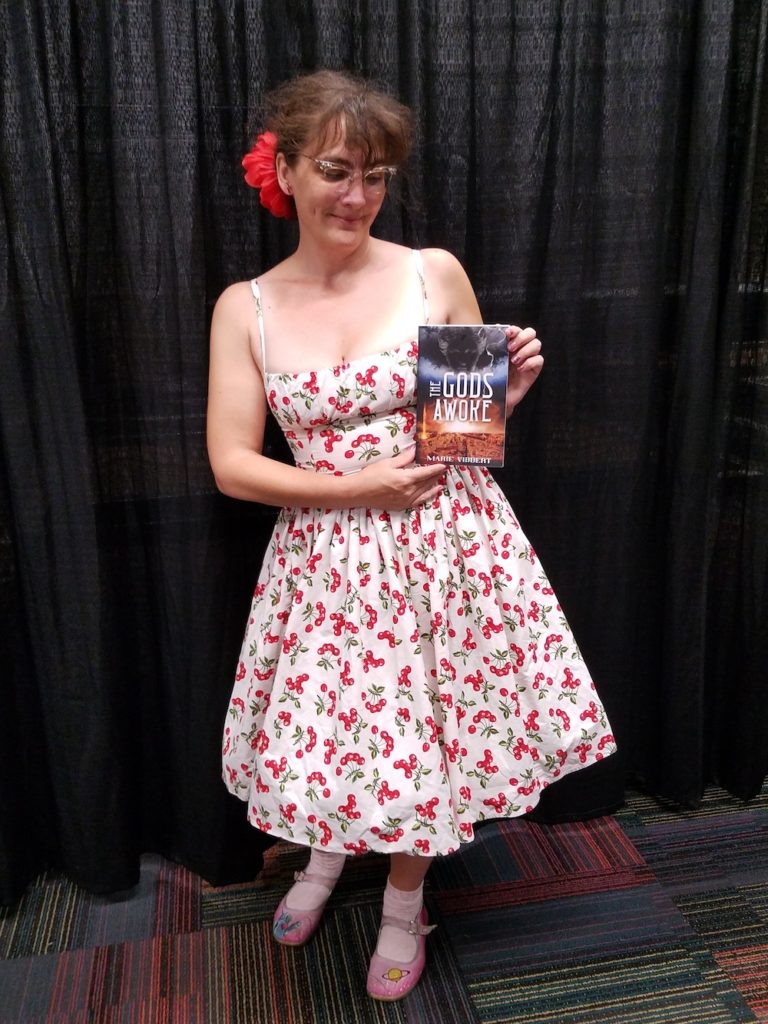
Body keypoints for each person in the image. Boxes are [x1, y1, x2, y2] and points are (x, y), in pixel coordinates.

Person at [207, 69, 616, 1002]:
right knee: (335, 732)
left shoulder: (433, 271)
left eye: (378, 176)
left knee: (429, 737)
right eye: (338, 171)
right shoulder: (249, 306)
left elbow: (460, 438)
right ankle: (319, 860)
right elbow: (232, 463)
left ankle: (403, 903)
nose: (358, 196)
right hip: (324, 557)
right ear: (286, 171)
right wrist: (355, 486)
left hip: (447, 544)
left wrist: (495, 404)